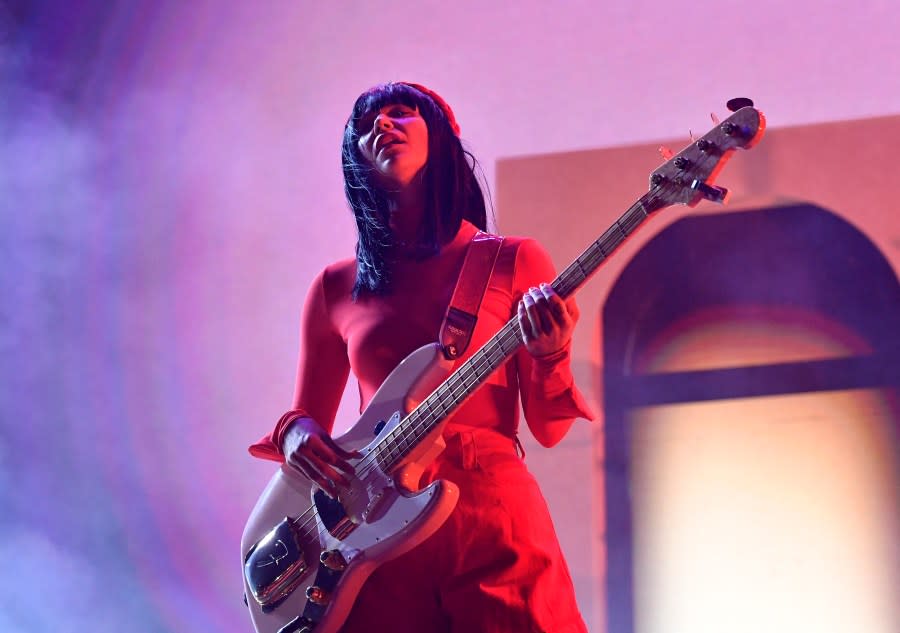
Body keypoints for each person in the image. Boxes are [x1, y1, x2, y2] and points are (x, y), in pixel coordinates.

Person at [249, 81, 594, 632]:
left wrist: (552, 354)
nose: (381, 126)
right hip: (377, 528)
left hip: (490, 518)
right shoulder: (334, 287)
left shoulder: (513, 260)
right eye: (364, 126)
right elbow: (306, 415)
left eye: (400, 113)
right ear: (354, 163)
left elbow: (549, 431)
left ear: (442, 136)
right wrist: (295, 434)